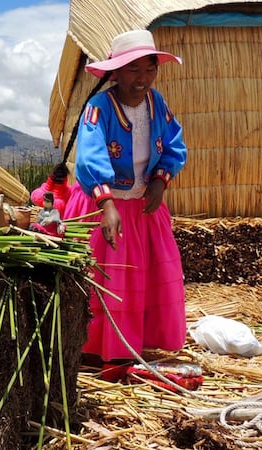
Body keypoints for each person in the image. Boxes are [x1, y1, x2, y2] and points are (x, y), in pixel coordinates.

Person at [64, 29, 188, 380]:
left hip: (143, 208)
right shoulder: (98, 107)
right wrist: (107, 204)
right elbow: (90, 157)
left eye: (149, 69)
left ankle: (135, 345)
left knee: (144, 278)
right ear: (115, 72)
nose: (142, 78)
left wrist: (162, 180)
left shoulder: (157, 103)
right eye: (133, 70)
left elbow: (175, 142)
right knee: (107, 280)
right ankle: (95, 350)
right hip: (103, 206)